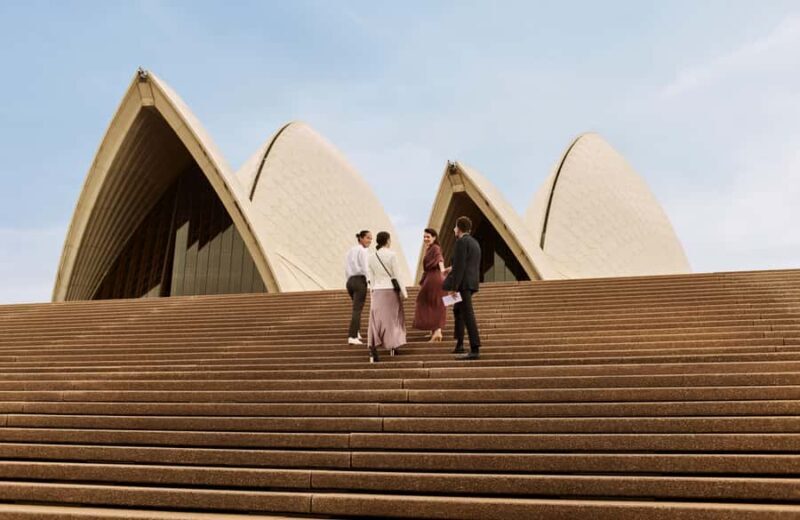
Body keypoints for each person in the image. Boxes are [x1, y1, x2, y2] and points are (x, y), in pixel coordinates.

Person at [442, 216, 482, 360]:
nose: (454, 229)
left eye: (455, 227)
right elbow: (466, 263)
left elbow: (460, 267)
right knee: (458, 311)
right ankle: (459, 345)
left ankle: (474, 348)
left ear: (458, 228)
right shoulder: (474, 242)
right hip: (471, 283)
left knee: (467, 314)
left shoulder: (460, 242)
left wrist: (454, 287)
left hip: (462, 285)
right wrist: (450, 269)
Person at [367, 231, 407, 362]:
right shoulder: (392, 255)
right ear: (388, 241)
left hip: (377, 291)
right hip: (390, 290)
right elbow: (397, 274)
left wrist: (372, 291)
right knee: (393, 318)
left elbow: (371, 277)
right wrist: (404, 292)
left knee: (375, 320)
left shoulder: (371, 257)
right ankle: (393, 346)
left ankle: (372, 349)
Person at [413, 228, 446, 341]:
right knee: (431, 302)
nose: (426, 239)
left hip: (434, 278)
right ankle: (434, 330)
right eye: (424, 237)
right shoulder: (429, 249)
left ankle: (437, 331)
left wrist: (443, 273)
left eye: (428, 237)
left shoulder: (435, 248)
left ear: (434, 237)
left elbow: (440, 260)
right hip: (430, 278)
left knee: (433, 302)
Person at [345, 230, 371, 345]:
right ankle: (352, 336)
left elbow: (346, 267)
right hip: (360, 280)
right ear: (361, 238)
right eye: (367, 238)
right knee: (357, 310)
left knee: (356, 308)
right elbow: (365, 268)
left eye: (371, 238)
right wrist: (369, 280)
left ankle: (357, 332)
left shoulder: (350, 251)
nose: (370, 241)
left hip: (350, 281)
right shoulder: (363, 251)